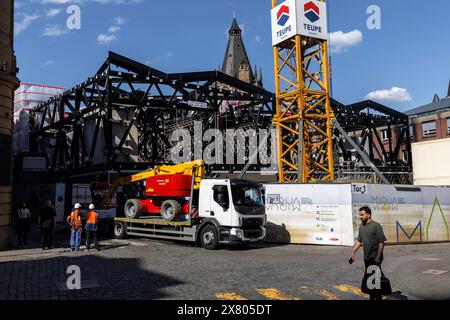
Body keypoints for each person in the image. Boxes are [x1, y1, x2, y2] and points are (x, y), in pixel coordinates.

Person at [349, 206, 387, 300]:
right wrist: (352, 253)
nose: (360, 217)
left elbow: (381, 242)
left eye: (362, 215)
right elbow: (359, 241)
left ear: (368, 215)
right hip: (367, 257)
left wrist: (378, 257)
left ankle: (377, 297)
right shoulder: (361, 226)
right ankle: (373, 296)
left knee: (374, 280)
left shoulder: (376, 225)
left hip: (375, 257)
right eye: (360, 215)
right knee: (370, 280)